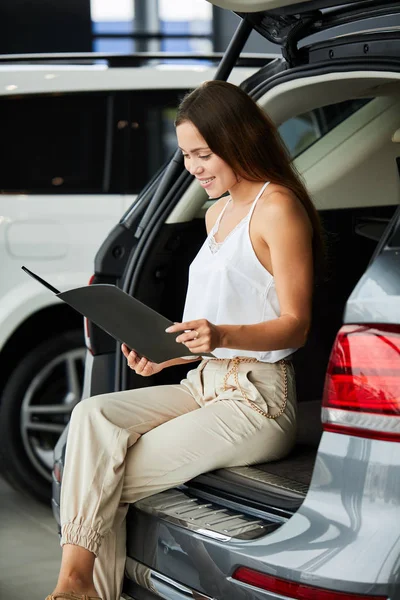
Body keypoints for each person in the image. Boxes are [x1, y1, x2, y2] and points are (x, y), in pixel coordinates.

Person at [46, 80, 323, 600]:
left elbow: (295, 324)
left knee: (103, 479)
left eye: (203, 153)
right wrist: (168, 353)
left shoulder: (278, 208)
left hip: (257, 398)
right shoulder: (215, 212)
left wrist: (219, 334)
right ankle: (77, 582)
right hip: (202, 383)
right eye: (186, 155)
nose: (193, 167)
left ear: (237, 139)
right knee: (92, 416)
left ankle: (75, 583)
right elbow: (216, 321)